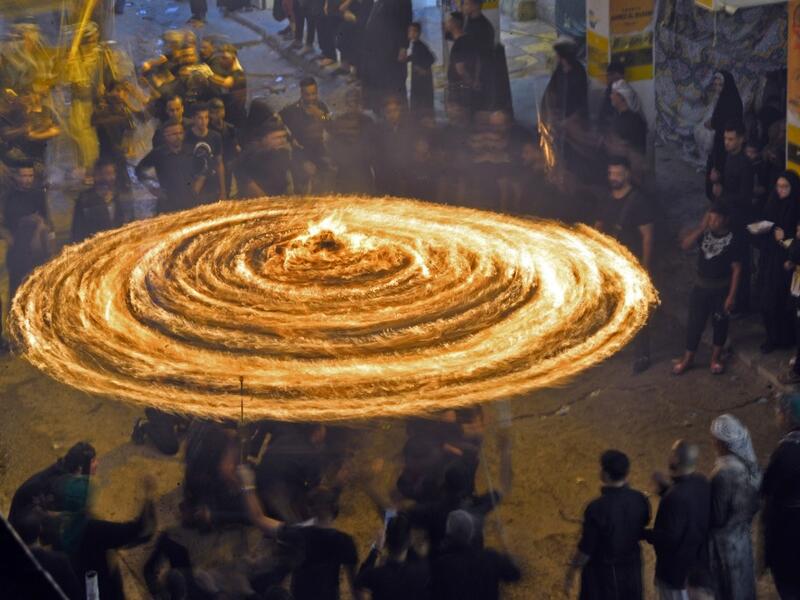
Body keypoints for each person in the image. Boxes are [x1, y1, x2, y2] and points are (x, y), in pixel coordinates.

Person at [594, 156, 655, 373]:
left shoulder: (638, 201)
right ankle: (614, 345)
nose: (614, 178)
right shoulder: (606, 198)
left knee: (637, 309)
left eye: (618, 174)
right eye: (611, 174)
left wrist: (645, 267)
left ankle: (642, 354)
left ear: (627, 174)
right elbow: (599, 225)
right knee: (612, 306)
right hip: (612, 263)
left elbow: (647, 235)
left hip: (633, 262)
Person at [564, 449, 651, 599]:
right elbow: (642, 525)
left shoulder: (596, 508)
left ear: (605, 473)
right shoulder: (640, 499)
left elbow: (586, 549)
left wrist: (571, 571)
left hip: (602, 578)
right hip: (632, 573)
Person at [672, 203, 743, 375]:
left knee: (720, 324)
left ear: (725, 219)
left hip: (721, 289)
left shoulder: (734, 239)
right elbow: (685, 245)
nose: (713, 221)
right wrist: (701, 228)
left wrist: (731, 296)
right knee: (695, 324)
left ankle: (715, 359)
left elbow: (737, 269)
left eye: (717, 218)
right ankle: (688, 359)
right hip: (701, 287)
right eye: (710, 217)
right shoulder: (703, 234)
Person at [644, 440, 710, 598]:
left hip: (674, 573)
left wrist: (645, 534)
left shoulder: (673, 497)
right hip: (697, 568)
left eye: (672, 453)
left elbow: (669, 538)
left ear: (675, 460)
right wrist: (666, 488)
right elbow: (688, 508)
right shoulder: (702, 482)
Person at [708, 414, 761, 600]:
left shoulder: (723, 473)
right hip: (742, 538)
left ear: (721, 442)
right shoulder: (748, 465)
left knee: (728, 589)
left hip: (724, 544)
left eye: (714, 439)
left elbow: (717, 516)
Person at [754, 171, 800, 353]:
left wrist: (782, 240)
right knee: (766, 301)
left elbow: (795, 244)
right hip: (769, 260)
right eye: (778, 186)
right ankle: (772, 337)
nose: (780, 191)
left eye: (785, 187)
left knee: (780, 302)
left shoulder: (796, 208)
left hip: (785, 264)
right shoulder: (773, 203)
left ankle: (783, 338)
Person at [431, 509, 521, 599]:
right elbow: (514, 575)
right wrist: (508, 559)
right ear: (471, 533)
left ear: (449, 533)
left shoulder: (442, 565)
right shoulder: (491, 558)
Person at [761, 393, 800, 599]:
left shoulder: (786, 451)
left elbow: (767, 487)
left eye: (779, 411)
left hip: (789, 533)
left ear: (787, 415)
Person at [1, 155, 53, 297]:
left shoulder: (38, 195)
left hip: (36, 252)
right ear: (15, 176)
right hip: (16, 253)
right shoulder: (7, 197)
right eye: (23, 176)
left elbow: (47, 221)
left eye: (30, 175)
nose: (27, 180)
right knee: (16, 292)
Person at [135, 120, 206, 213]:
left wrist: (198, 186)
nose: (178, 137)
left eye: (180, 133)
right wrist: (152, 188)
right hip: (168, 203)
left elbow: (204, 168)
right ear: (166, 136)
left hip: (190, 201)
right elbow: (139, 171)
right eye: (174, 134)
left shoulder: (191, 150)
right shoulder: (158, 154)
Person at [355, 514, 431, 600]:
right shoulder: (420, 572)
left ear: (386, 542)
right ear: (409, 542)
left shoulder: (375, 575)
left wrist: (375, 550)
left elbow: (359, 581)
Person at [280, 77, 331, 187]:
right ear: (302, 94)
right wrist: (290, 138)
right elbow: (277, 122)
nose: (311, 98)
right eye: (308, 95)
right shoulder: (292, 110)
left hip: (319, 151)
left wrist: (320, 115)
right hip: (300, 154)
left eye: (314, 94)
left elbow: (329, 123)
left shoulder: (321, 107)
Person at [361, 0, 412, 110]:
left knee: (394, 88)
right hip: (377, 51)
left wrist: (403, 47)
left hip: (392, 51)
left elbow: (406, 21)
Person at [71, 157, 135, 243]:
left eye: (111, 173)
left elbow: (131, 223)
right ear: (96, 176)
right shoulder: (85, 200)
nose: (110, 178)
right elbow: (77, 231)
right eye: (105, 174)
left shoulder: (120, 196)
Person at [235, 117, 297, 196]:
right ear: (264, 139)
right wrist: (257, 191)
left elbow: (285, 177)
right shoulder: (252, 152)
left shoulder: (283, 151)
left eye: (284, 137)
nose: (283, 140)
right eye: (277, 137)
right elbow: (239, 170)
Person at [697, 71, 743, 175]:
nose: (717, 88)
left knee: (723, 171)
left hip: (728, 143)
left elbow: (729, 121)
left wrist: (713, 123)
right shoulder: (721, 98)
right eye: (715, 85)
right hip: (719, 142)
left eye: (720, 85)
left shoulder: (732, 100)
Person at [184, 102, 226, 203]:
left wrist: (223, 190)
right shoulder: (186, 137)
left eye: (206, 117)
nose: (204, 121)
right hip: (194, 184)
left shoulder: (215, 137)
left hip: (212, 184)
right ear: (193, 118)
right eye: (200, 118)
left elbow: (219, 163)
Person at [462, 0, 494, 110]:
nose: (464, 7)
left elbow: (482, 56)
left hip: (480, 76)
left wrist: (476, 78)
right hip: (470, 72)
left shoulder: (483, 27)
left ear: (475, 6)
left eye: (466, 4)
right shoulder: (469, 20)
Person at [445, 12, 478, 113]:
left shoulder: (459, 44)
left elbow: (461, 69)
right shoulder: (466, 38)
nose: (446, 23)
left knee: (459, 114)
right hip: (464, 85)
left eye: (448, 21)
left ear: (455, 24)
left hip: (458, 87)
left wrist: (470, 83)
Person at [209, 97, 240, 195]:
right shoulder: (209, 130)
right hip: (215, 164)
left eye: (220, 111)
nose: (218, 114)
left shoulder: (230, 128)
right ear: (210, 114)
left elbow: (235, 146)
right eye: (214, 112)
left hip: (229, 161)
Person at [608, 79, 647, 156]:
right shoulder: (616, 117)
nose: (610, 96)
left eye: (613, 93)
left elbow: (638, 150)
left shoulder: (635, 120)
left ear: (622, 97)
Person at [405, 23, 435, 117]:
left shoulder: (420, 45)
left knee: (421, 104)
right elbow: (414, 57)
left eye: (414, 31)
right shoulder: (414, 45)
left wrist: (423, 69)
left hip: (422, 81)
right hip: (417, 80)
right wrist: (406, 58)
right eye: (409, 31)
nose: (411, 33)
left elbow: (431, 58)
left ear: (418, 33)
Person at [597, 60, 625, 132]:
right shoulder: (610, 90)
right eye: (608, 75)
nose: (608, 77)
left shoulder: (621, 90)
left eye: (610, 74)